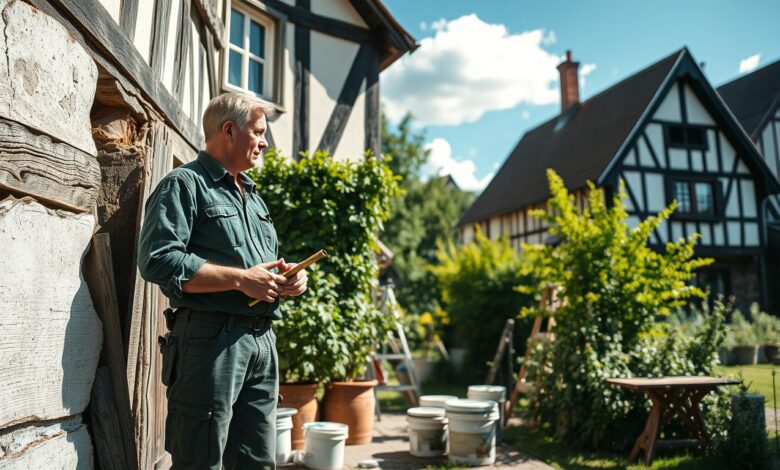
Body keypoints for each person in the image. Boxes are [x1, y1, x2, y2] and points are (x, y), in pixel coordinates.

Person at [138, 92, 307, 469]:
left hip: (262, 341)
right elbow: (157, 260)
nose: (265, 142)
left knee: (257, 461)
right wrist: (240, 281)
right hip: (212, 343)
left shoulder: (254, 198)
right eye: (259, 132)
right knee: (201, 459)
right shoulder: (183, 185)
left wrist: (290, 278)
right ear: (229, 130)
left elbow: (257, 271)